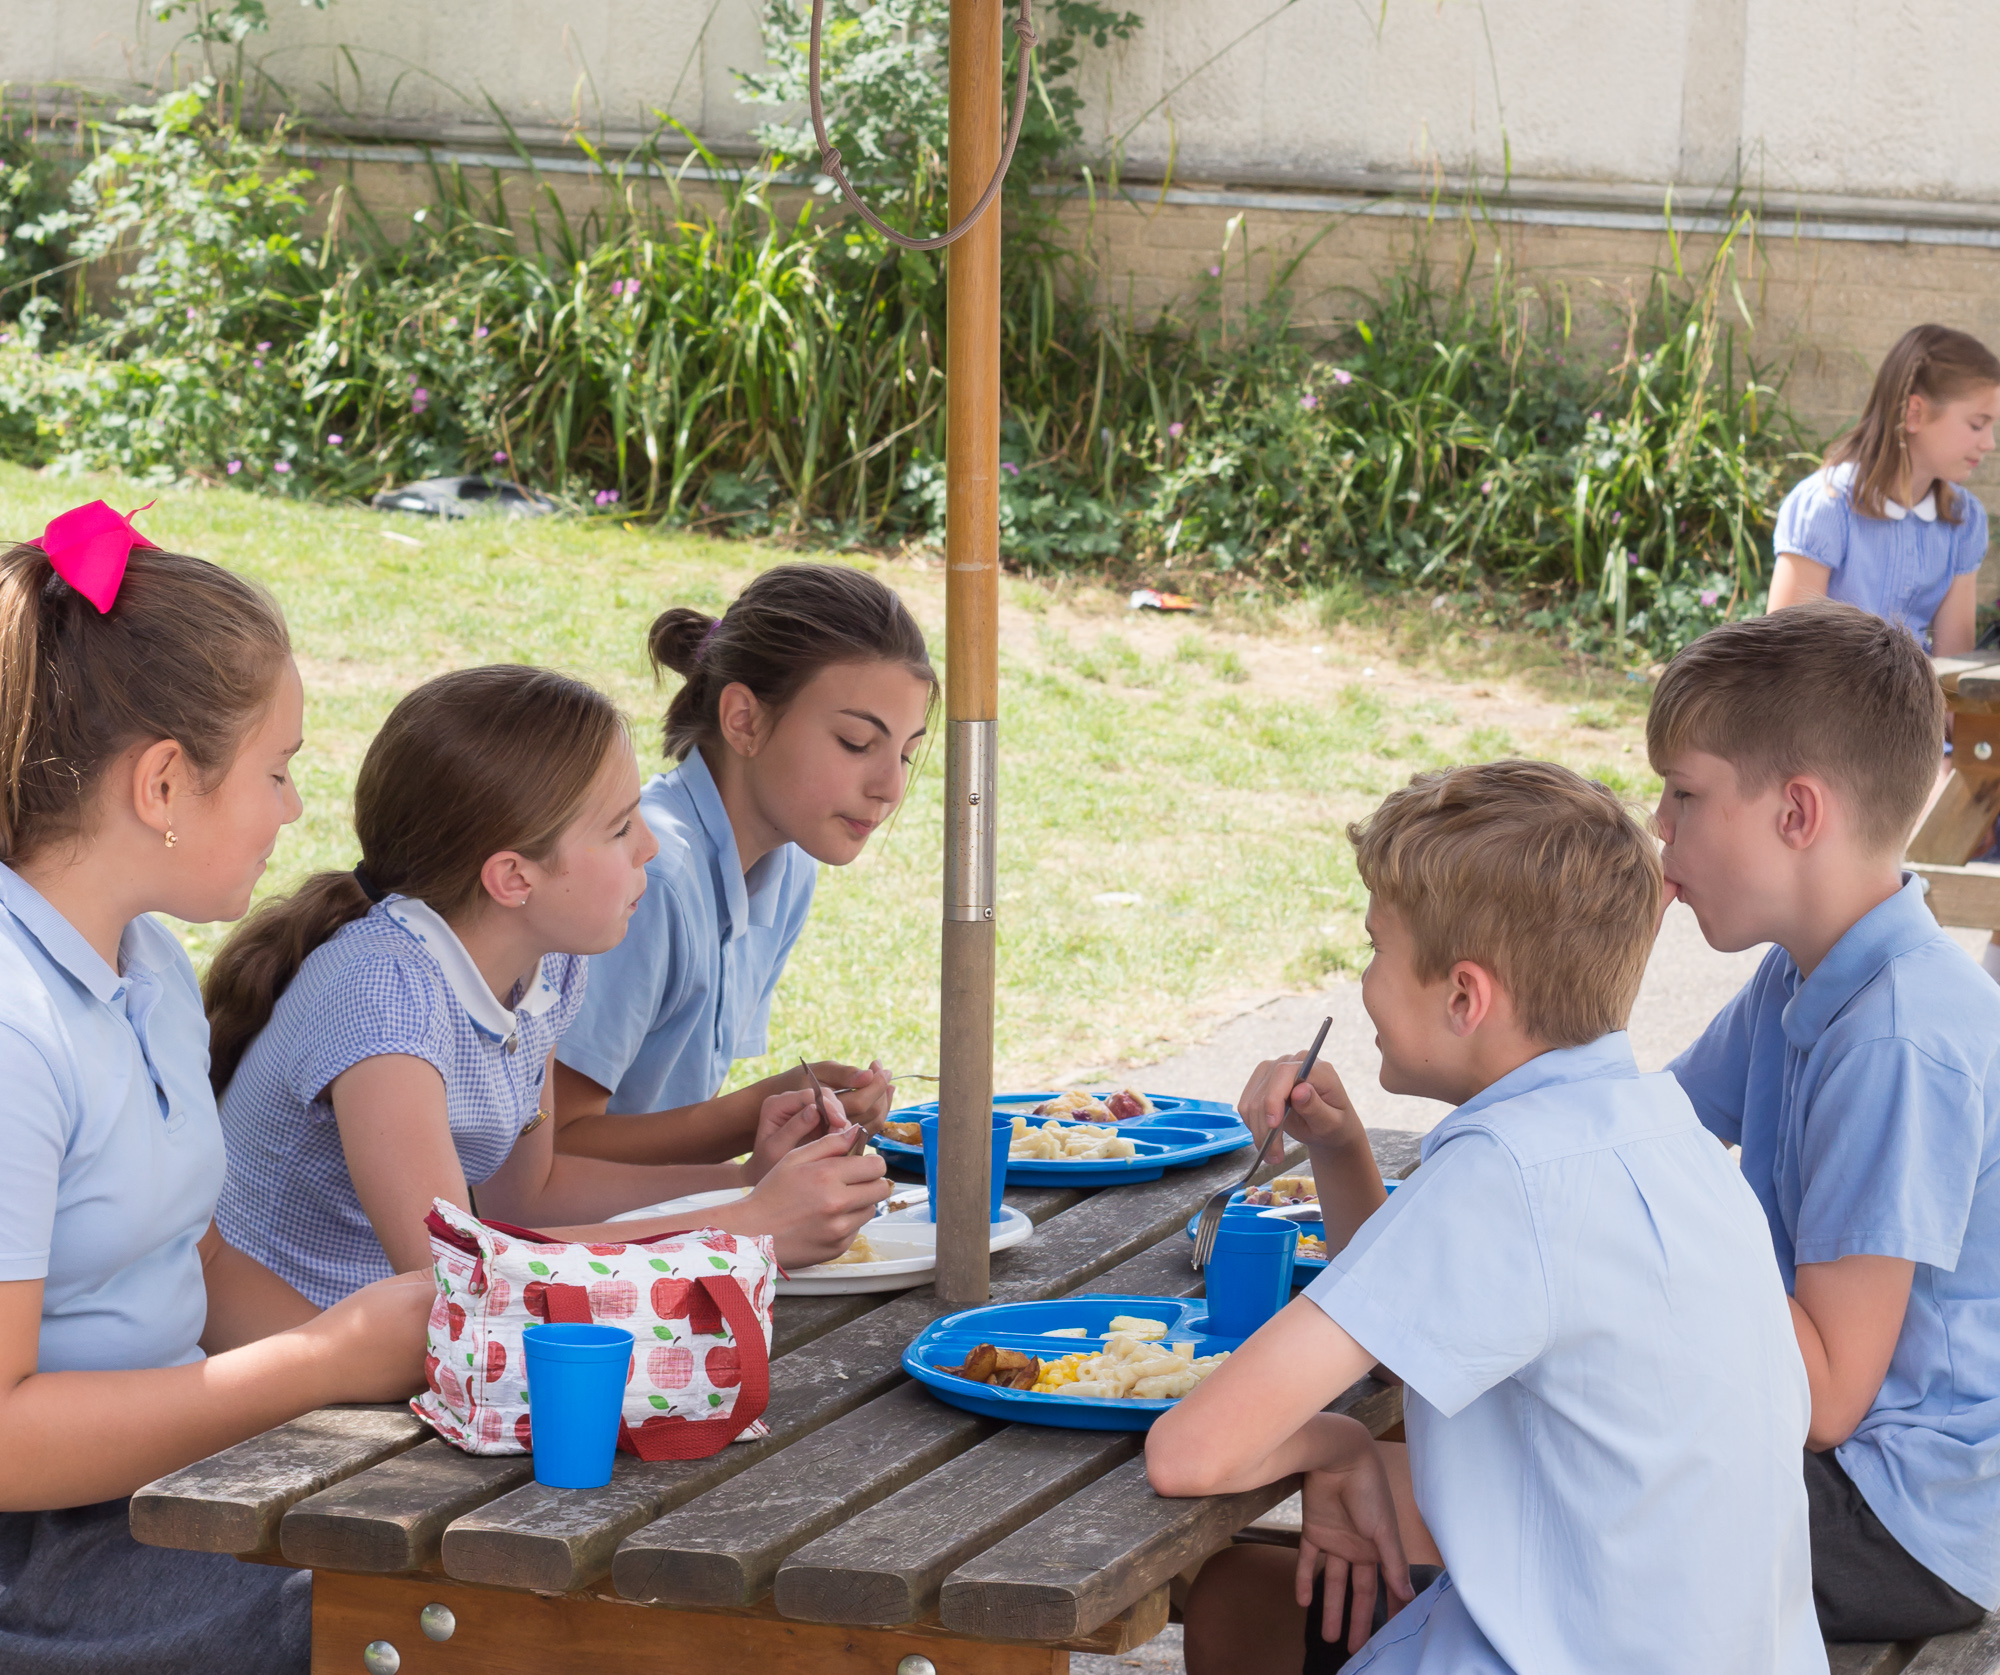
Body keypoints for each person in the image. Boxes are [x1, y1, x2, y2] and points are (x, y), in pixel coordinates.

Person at [1152, 760, 1821, 1675]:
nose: (1364, 981)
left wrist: (1339, 1443)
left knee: (1237, 1599)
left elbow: (1190, 1451)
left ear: (1465, 995)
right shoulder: (1669, 1136)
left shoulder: (1504, 1176)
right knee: (1240, 1601)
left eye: (1377, 948)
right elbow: (1408, 1330)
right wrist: (1342, 1152)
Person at [0, 505, 429, 1675]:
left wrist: (422, 1386)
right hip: (39, 1555)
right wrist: (328, 1361)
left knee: (481, 1554)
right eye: (278, 769)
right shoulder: (12, 1024)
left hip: (151, 1493)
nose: (295, 808)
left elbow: (193, 1261)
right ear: (163, 785)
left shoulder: (140, 965)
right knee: (427, 1621)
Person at [208, 664, 889, 1311]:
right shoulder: (383, 999)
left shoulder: (547, 965)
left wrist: (746, 1184)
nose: (649, 846)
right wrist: (741, 1226)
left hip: (411, 1350)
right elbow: (455, 1273)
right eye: (621, 827)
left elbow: (526, 1198)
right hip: (293, 1370)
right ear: (513, 878)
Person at [1656, 601, 1999, 1642]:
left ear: (1795, 813)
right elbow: (1644, 1133)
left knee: (1496, 1487)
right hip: (1837, 1461)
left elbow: (1826, 1396)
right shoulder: (1798, 976)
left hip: (1900, 1513)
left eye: (1682, 794)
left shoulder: (1894, 1037)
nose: (1656, 829)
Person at [552, 563, 936, 1165]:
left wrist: (792, 1113)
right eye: (857, 744)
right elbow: (551, 1151)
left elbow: (666, 1115)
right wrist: (757, 1122)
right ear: (744, 720)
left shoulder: (789, 868)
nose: (889, 786)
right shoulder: (653, 879)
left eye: (908, 755)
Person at [1767, 323, 1998, 656]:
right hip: (1824, 703)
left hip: (1917, 706)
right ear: (1914, 413)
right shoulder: (1825, 506)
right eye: (1977, 424)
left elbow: (1952, 671)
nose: (1989, 443)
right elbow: (1782, 653)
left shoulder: (1964, 519)